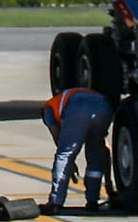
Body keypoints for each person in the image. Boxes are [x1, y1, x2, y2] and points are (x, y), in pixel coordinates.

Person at [40, 82, 111, 215]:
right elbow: (105, 147)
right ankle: (92, 200)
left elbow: (59, 138)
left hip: (77, 107)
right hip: (103, 105)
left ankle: (56, 202)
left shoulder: (48, 108)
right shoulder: (69, 96)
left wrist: (70, 163)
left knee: (64, 155)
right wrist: (109, 185)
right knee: (95, 153)